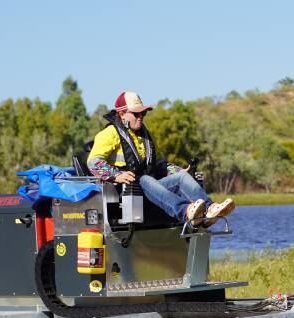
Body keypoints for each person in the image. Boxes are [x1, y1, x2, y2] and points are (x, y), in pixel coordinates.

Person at [87, 91, 234, 224]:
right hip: (127, 195)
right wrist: (116, 174)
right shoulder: (109, 133)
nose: (140, 118)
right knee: (145, 179)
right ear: (122, 114)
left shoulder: (145, 136)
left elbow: (159, 165)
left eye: (143, 114)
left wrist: (178, 170)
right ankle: (186, 212)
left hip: (149, 190)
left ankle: (209, 209)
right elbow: (93, 163)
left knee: (182, 177)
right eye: (136, 114)